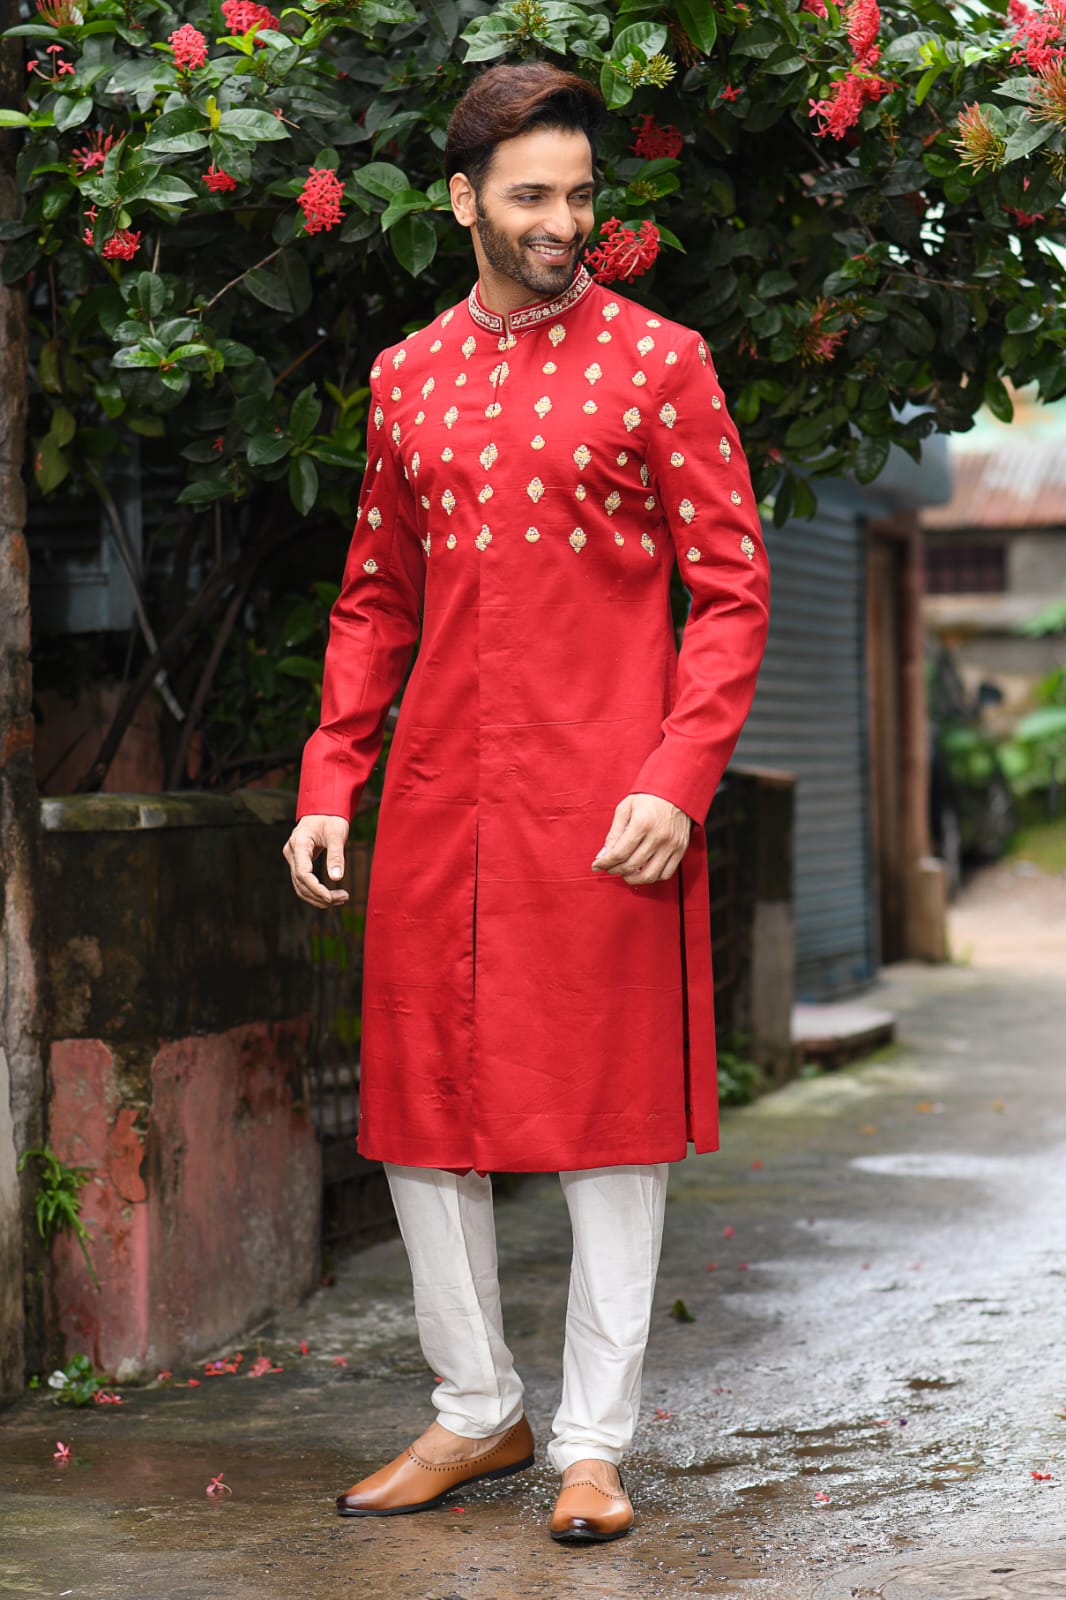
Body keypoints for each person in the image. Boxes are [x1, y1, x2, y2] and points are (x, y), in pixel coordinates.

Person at [284, 60, 770, 1545]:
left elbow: (732, 594)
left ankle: (592, 1444)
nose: (564, 222)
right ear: (463, 204)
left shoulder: (659, 363)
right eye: (532, 197)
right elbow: (373, 597)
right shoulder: (404, 378)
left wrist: (676, 781)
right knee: (422, 1113)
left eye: (577, 196)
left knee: (606, 1125)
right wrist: (329, 779)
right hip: (438, 801)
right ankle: (471, 1410)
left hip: (609, 805)